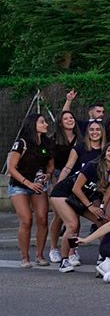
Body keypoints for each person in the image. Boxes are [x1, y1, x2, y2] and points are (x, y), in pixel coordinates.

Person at [48, 147, 110, 272]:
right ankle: (65, 259)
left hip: (81, 199)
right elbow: (76, 188)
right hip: (63, 193)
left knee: (102, 222)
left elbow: (109, 191)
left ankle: (104, 256)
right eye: (109, 150)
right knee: (72, 225)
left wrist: (101, 208)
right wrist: (90, 207)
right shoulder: (92, 166)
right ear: (104, 154)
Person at [8, 114, 56, 268]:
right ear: (32, 124)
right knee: (26, 219)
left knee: (42, 218)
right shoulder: (21, 143)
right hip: (19, 184)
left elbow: (50, 165)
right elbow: (11, 168)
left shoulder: (47, 143)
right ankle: (24, 257)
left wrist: (48, 175)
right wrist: (27, 183)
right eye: (42, 122)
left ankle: (40, 255)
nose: (46, 124)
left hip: (38, 185)